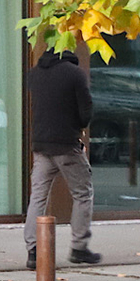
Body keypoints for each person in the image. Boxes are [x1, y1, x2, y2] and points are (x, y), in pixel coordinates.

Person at [25, 46, 100, 267]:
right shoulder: (75, 74)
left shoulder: (34, 74)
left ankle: (33, 251)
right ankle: (79, 248)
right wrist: (78, 127)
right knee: (82, 193)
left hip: (41, 145)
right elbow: (85, 113)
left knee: (38, 197)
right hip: (67, 145)